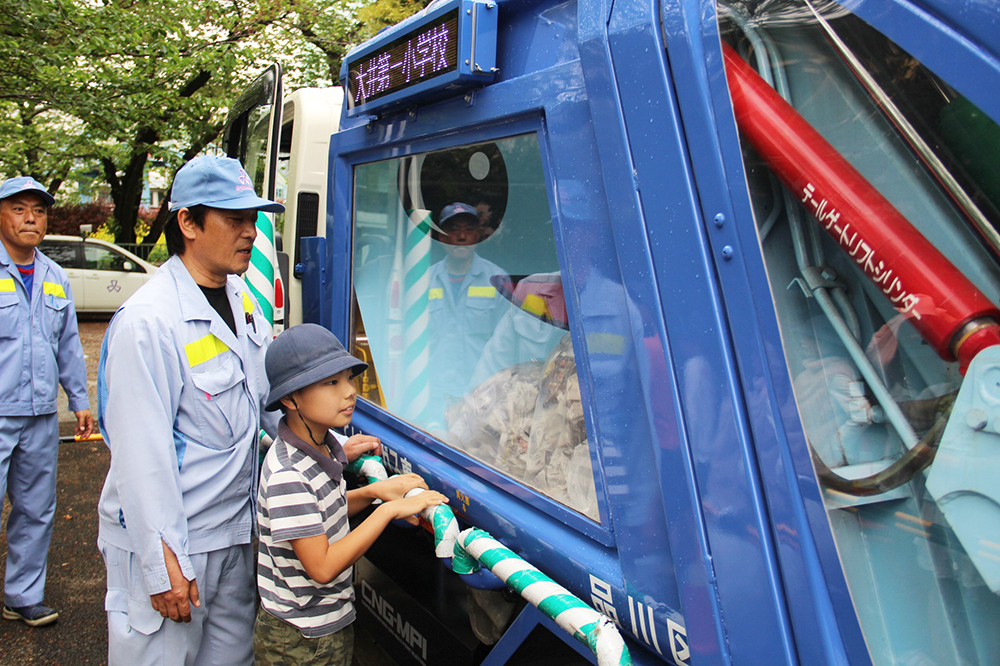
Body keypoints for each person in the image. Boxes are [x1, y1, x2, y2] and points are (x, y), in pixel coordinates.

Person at [95, 156, 284, 665]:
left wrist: (322, 445)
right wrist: (164, 566)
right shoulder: (148, 322)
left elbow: (264, 402)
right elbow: (141, 459)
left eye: (254, 219)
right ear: (188, 222)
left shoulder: (242, 299)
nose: (250, 232)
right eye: (235, 219)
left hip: (232, 533)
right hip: (174, 543)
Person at [255, 323, 447, 665]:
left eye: (348, 378)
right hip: (302, 640)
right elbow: (323, 566)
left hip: (323, 623)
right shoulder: (289, 473)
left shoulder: (320, 445)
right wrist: (386, 511)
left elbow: (323, 515)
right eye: (331, 382)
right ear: (290, 398)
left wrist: (375, 491)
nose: (349, 392)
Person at [0, 176, 92, 627]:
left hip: (39, 417)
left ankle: (22, 595)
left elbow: (68, 345)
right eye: (19, 208)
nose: (30, 218)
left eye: (38, 210)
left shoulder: (54, 277)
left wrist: (79, 400)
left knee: (37, 508)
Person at [425, 202, 509, 427]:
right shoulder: (424, 281)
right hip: (433, 395)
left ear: (479, 236)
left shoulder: (497, 281)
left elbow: (506, 345)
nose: (461, 236)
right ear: (442, 238)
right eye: (453, 230)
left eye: (469, 230)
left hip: (482, 396)